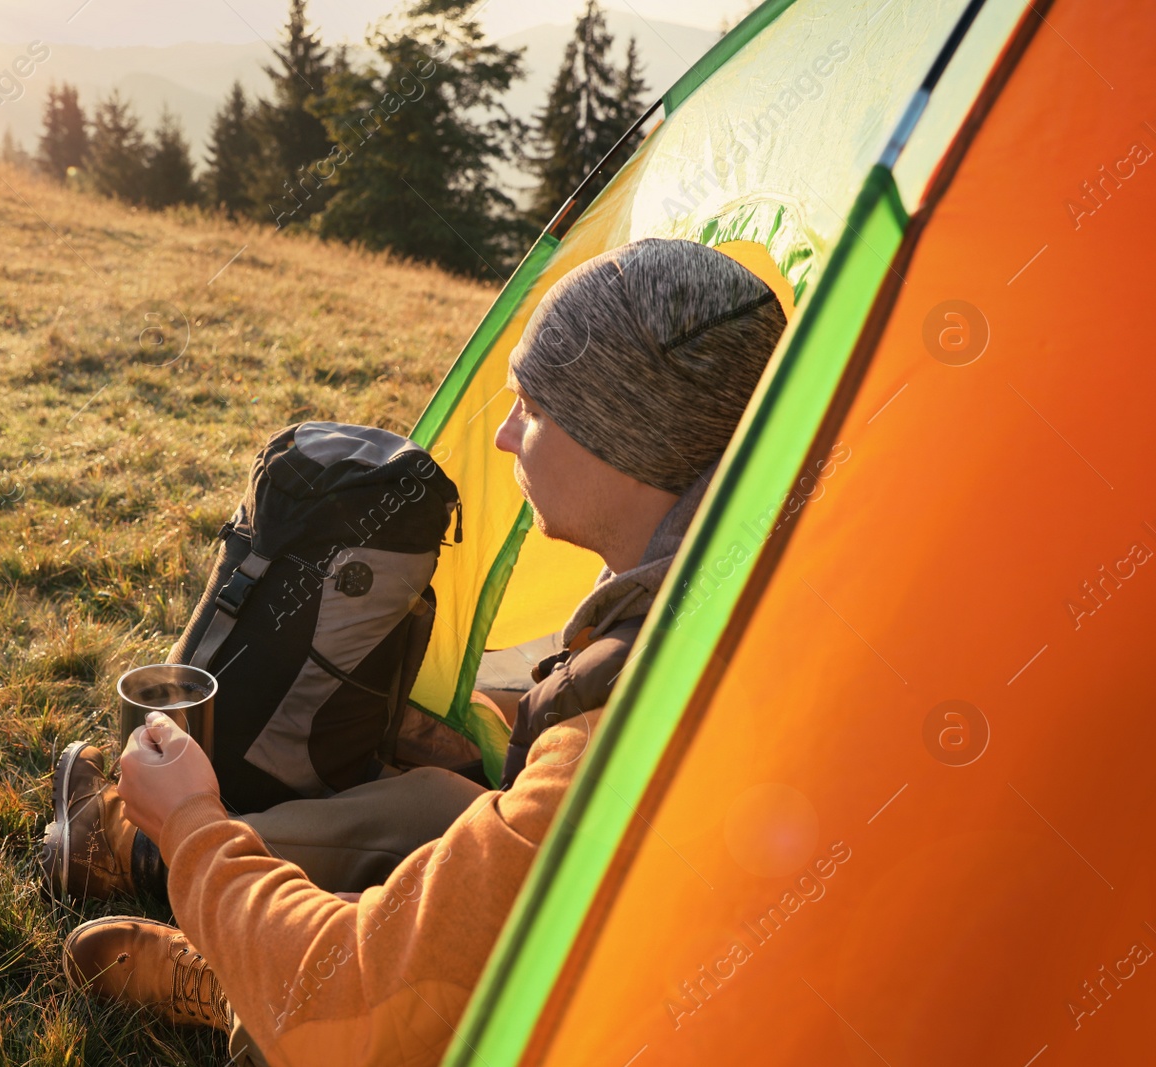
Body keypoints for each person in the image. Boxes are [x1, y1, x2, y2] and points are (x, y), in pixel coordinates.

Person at [49, 238, 788, 1065]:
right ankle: (130, 847)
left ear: (630, 437)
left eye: (534, 408)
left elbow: (350, 996)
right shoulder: (743, 574)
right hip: (642, 930)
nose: (505, 436)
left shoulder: (631, 738)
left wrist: (190, 822)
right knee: (442, 798)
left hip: (618, 1022)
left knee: (324, 1016)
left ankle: (240, 983)